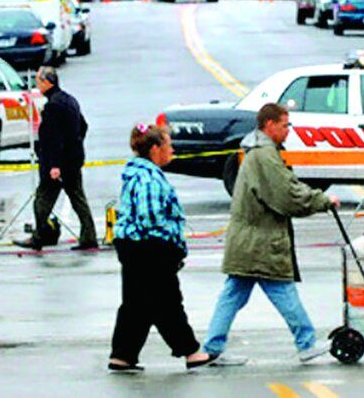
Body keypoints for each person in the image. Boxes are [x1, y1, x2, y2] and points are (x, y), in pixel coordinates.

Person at [202, 103, 337, 365]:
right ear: (269, 125)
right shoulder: (264, 155)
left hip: (247, 239)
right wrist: (322, 200)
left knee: (233, 294)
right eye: (285, 125)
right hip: (260, 241)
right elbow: (286, 195)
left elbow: (286, 185)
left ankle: (213, 347)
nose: (289, 131)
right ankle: (306, 343)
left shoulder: (259, 152)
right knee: (282, 289)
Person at [108, 123, 213, 373]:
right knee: (167, 301)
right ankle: (190, 351)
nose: (172, 150)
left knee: (136, 303)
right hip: (149, 248)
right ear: (155, 148)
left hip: (133, 245)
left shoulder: (137, 173)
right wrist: (171, 245)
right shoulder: (149, 178)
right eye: (168, 145)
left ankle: (122, 355)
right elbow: (150, 218)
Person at [15, 67, 98, 250]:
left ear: (48, 83)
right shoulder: (70, 100)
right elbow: (83, 126)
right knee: (78, 199)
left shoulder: (53, 106)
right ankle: (89, 236)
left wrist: (54, 165)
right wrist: (75, 146)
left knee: (42, 200)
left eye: (39, 82)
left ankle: (40, 236)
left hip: (58, 164)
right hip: (73, 160)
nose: (37, 86)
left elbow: (53, 139)